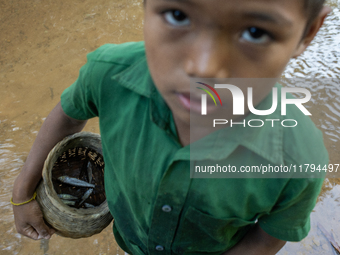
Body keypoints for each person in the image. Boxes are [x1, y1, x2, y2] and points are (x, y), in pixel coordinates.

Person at [12, 0, 331, 254]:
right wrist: (22, 192)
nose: (203, 67)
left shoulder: (297, 160)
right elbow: (68, 117)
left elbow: (267, 239)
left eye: (256, 32)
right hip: (131, 241)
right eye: (178, 14)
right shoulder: (107, 73)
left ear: (308, 33)